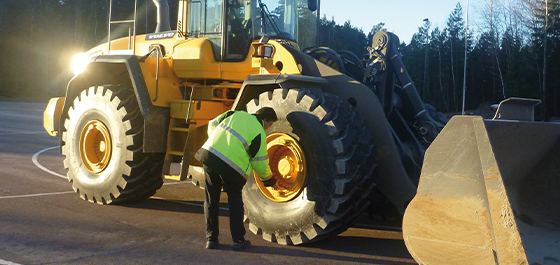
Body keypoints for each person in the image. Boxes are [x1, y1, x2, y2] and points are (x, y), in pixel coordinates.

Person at [195, 107, 278, 251]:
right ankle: (238, 240)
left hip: (210, 157)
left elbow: (212, 124)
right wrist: (270, 181)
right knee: (235, 203)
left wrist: (217, 142)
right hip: (232, 168)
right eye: (270, 124)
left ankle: (211, 240)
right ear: (265, 120)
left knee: (211, 199)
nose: (268, 128)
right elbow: (260, 163)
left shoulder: (234, 114)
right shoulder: (259, 131)